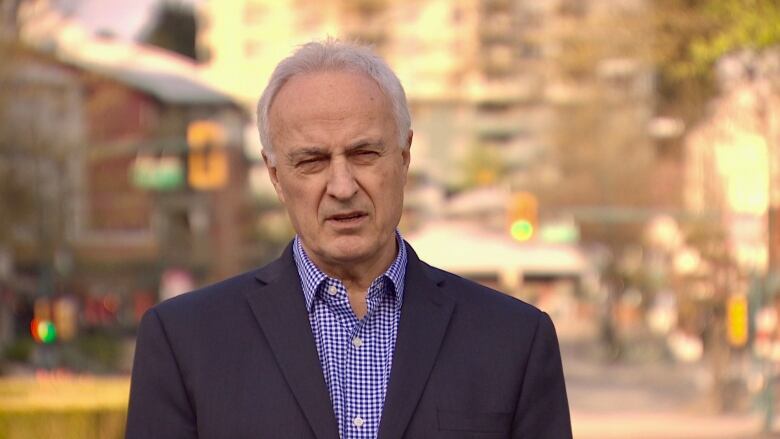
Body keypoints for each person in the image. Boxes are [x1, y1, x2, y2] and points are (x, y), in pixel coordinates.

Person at [126, 39, 572, 439]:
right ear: (276, 177)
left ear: (404, 156)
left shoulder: (515, 339)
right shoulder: (184, 341)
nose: (342, 186)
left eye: (363, 154)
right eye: (312, 161)